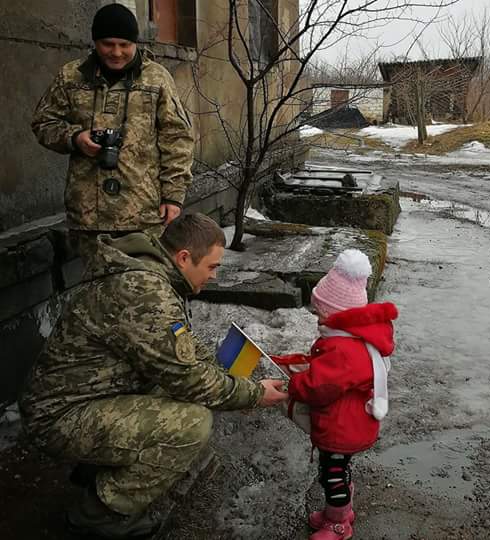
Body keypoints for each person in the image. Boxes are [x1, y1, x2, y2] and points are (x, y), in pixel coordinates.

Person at [19, 213, 288, 539]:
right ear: (184, 258)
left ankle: (96, 469)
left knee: (175, 392)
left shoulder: (150, 274)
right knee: (191, 424)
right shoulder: (146, 293)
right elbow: (187, 378)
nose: (214, 277)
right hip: (59, 417)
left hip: (81, 397)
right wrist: (254, 394)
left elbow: (180, 351)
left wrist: (229, 378)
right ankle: (98, 514)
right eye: (212, 267)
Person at [31, 4, 194, 257]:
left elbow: (177, 138)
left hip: (143, 214)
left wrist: (173, 196)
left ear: (135, 44)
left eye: (124, 45)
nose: (116, 52)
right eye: (107, 44)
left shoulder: (157, 79)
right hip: (89, 216)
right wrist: (74, 138)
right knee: (96, 290)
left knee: (142, 289)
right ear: (95, 42)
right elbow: (43, 122)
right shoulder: (71, 77)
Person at [273, 249, 399, 540]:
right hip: (351, 422)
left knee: (332, 476)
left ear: (333, 314)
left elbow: (320, 386)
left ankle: (339, 525)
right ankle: (339, 513)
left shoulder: (342, 350)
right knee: (339, 469)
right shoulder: (353, 339)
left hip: (343, 427)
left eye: (319, 312)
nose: (316, 318)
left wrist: (295, 384)